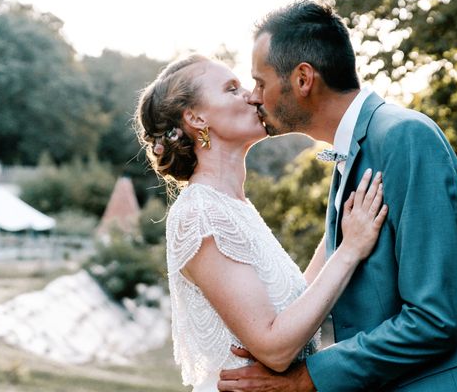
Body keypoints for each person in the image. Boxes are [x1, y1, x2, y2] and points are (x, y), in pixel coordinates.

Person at [217, 1, 457, 391]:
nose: (254, 96)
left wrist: (309, 378)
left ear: (303, 79)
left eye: (260, 82)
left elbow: (434, 318)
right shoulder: (352, 153)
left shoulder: (405, 137)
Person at [135, 55, 389, 392]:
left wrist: (342, 228)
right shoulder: (200, 211)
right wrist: (351, 250)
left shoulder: (234, 205)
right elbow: (274, 348)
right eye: (231, 89)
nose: (252, 96)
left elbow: (296, 302)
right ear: (196, 118)